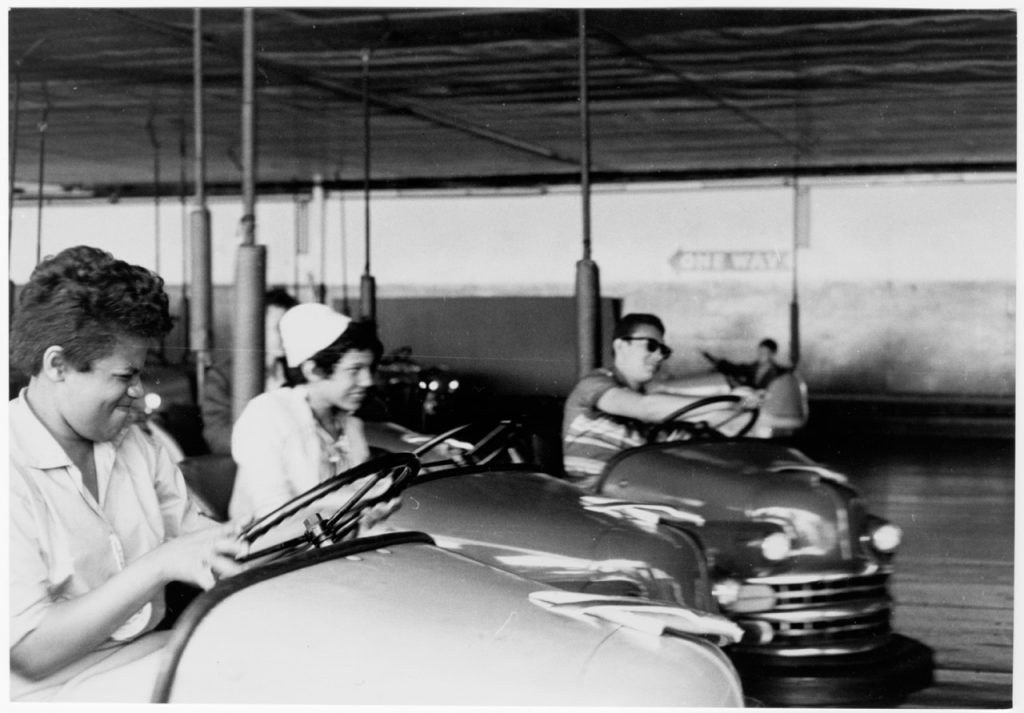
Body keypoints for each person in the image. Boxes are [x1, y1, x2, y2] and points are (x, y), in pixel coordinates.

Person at [9, 245, 249, 702]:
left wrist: (312, 532)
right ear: (57, 365)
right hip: (42, 694)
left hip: (147, 656)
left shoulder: (134, 443)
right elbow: (28, 652)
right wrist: (159, 565)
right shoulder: (9, 468)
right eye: (124, 376)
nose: (138, 393)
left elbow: (202, 538)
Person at [228, 303, 392, 523]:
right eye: (354, 370)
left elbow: (363, 491)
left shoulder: (350, 424)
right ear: (312, 370)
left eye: (369, 369)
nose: (367, 381)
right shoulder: (267, 415)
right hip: (267, 549)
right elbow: (272, 515)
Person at [562, 313, 708, 491]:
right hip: (590, 498)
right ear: (621, 345)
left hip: (634, 495)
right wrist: (725, 402)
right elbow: (645, 408)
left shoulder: (653, 409)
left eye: (664, 351)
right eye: (651, 346)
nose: (659, 356)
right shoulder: (594, 384)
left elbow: (682, 440)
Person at [200, 286, 299, 454]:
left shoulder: (298, 373)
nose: (287, 335)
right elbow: (218, 437)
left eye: (291, 328)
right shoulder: (221, 377)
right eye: (278, 328)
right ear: (256, 330)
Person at [703, 337, 788, 390]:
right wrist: (712, 359)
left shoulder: (780, 373)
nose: (761, 355)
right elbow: (733, 368)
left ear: (773, 353)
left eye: (765, 353)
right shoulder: (753, 367)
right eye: (760, 352)